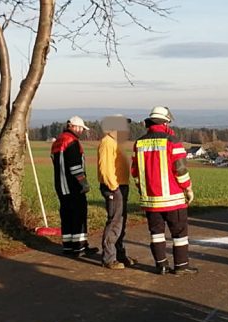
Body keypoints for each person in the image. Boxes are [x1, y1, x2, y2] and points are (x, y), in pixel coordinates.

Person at [131, 106, 197, 275]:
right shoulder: (172, 141)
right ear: (166, 122)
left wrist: (142, 189)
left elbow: (135, 172)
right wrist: (188, 188)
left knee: (156, 234)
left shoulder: (139, 143)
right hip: (173, 199)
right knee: (179, 233)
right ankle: (181, 266)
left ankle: (161, 265)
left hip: (150, 200)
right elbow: (180, 170)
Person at [51, 116, 98, 258]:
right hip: (73, 186)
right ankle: (80, 247)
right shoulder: (72, 141)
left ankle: (68, 246)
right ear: (73, 127)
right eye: (81, 129)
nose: (82, 131)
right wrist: (83, 182)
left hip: (61, 186)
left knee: (66, 215)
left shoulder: (58, 141)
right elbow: (75, 166)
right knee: (78, 215)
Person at [97, 115, 136, 269]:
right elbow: (105, 168)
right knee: (114, 222)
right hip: (114, 187)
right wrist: (114, 187)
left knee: (120, 222)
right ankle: (109, 258)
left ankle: (120, 255)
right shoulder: (107, 142)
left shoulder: (114, 142)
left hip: (120, 185)